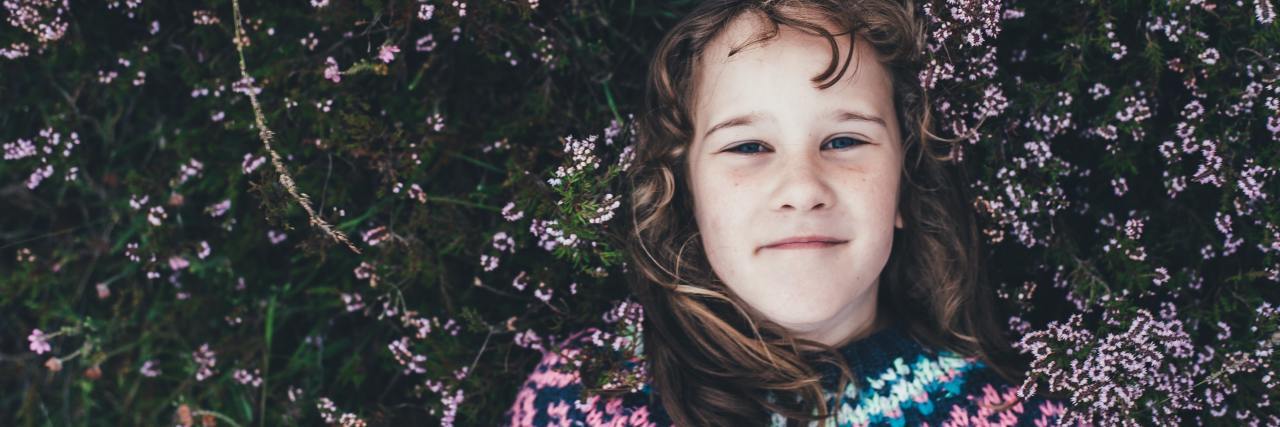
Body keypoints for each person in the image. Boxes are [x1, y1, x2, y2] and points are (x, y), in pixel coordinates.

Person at [506, 0, 1068, 425]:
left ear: (904, 184)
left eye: (845, 140)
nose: (802, 189)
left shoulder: (1020, 409)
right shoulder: (579, 397)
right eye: (748, 147)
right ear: (687, 190)